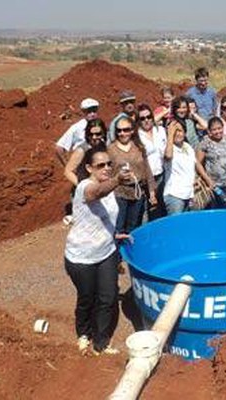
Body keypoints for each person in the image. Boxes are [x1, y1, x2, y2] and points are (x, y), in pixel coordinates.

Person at [64, 147, 132, 355]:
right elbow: (96, 194)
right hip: (81, 257)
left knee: (108, 296)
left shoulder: (110, 189)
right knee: (87, 297)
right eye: (100, 165)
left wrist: (115, 235)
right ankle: (84, 333)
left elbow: (106, 218)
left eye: (109, 164)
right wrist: (118, 180)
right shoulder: (86, 186)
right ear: (88, 168)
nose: (106, 168)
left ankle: (101, 342)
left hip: (106, 252)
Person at [107, 117, 156, 234]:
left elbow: (147, 168)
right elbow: (107, 172)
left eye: (126, 130)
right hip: (119, 193)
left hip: (137, 192)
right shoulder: (110, 149)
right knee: (119, 227)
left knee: (133, 227)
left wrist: (152, 191)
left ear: (132, 130)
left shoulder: (139, 147)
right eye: (119, 130)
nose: (122, 133)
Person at [163, 119, 210, 214]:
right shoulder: (167, 146)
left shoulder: (187, 147)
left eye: (180, 131)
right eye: (174, 131)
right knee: (176, 226)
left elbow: (194, 164)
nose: (177, 134)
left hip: (190, 195)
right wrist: (170, 135)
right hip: (175, 196)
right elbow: (168, 156)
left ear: (185, 133)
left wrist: (199, 179)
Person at [197, 117, 226, 208]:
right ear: (209, 131)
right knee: (215, 210)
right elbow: (197, 163)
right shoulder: (205, 143)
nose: (217, 131)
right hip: (214, 185)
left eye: (219, 128)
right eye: (214, 129)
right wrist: (208, 180)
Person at [137, 104, 167, 220]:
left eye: (149, 117)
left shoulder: (161, 131)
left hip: (163, 175)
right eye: (142, 118)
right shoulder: (138, 136)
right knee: (149, 210)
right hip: (147, 179)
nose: (146, 120)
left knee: (162, 208)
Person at [55, 98, 100, 166]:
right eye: (89, 112)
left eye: (94, 111)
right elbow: (59, 147)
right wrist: (68, 167)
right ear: (83, 112)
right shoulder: (77, 127)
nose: (92, 114)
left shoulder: (100, 126)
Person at [64, 118, 107, 186]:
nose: (94, 137)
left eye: (98, 134)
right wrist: (82, 187)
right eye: (91, 134)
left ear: (103, 133)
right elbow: (68, 171)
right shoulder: (82, 150)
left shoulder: (104, 147)